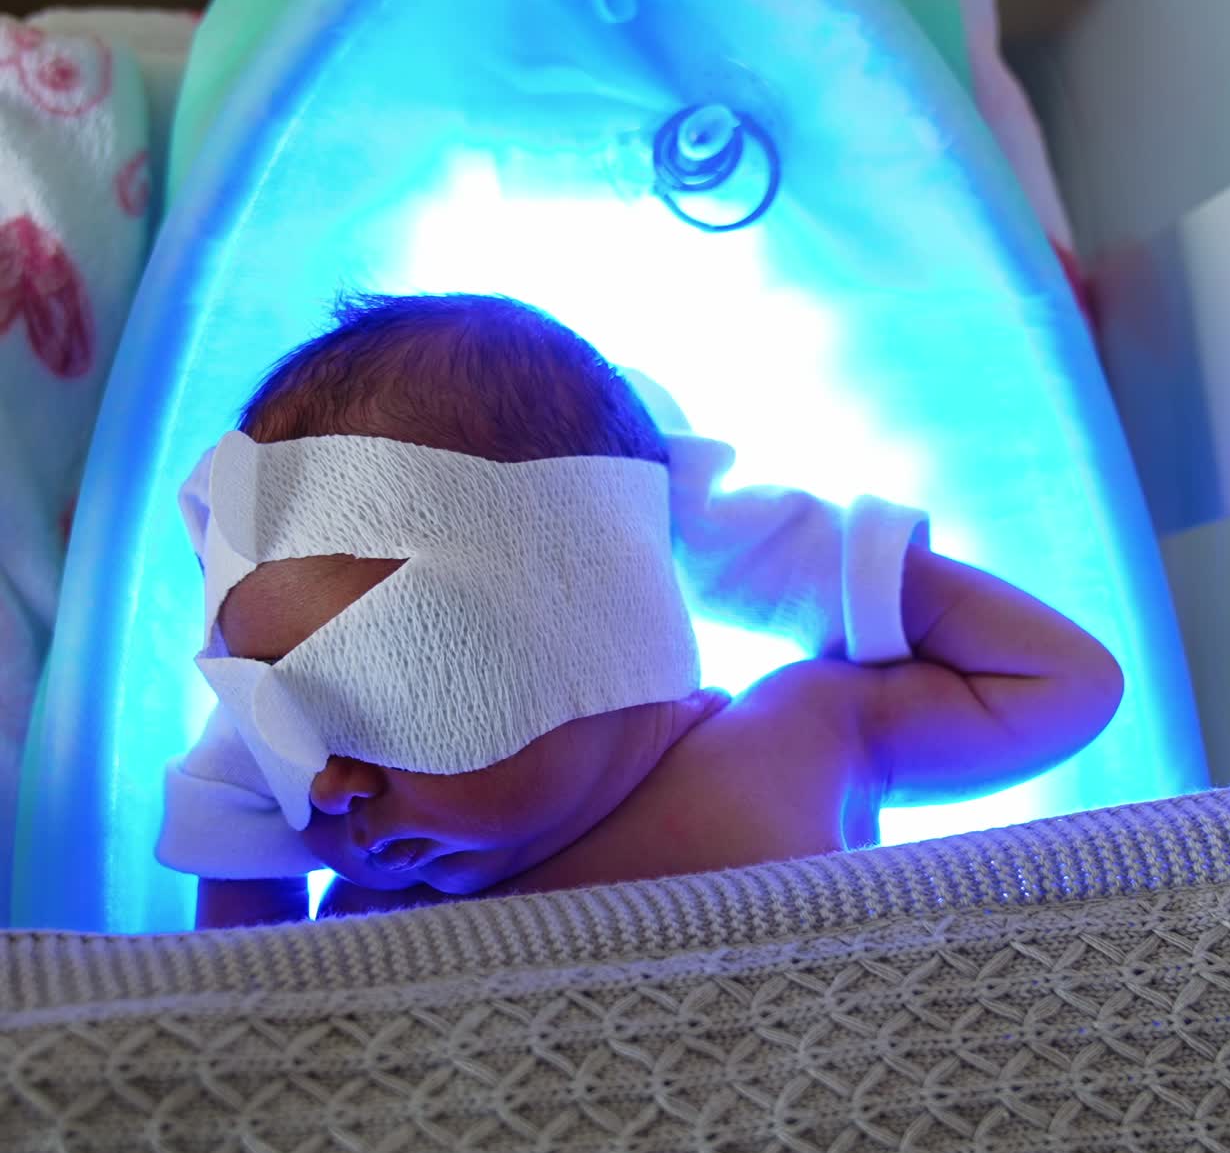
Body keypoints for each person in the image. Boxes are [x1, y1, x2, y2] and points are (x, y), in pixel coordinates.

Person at [159, 292, 1123, 928]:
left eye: (388, 692)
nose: (328, 786)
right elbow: (242, 1025)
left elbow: (1067, 686)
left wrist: (762, 555)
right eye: (273, 723)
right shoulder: (372, 898)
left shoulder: (802, 734)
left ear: (607, 604)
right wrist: (245, 787)